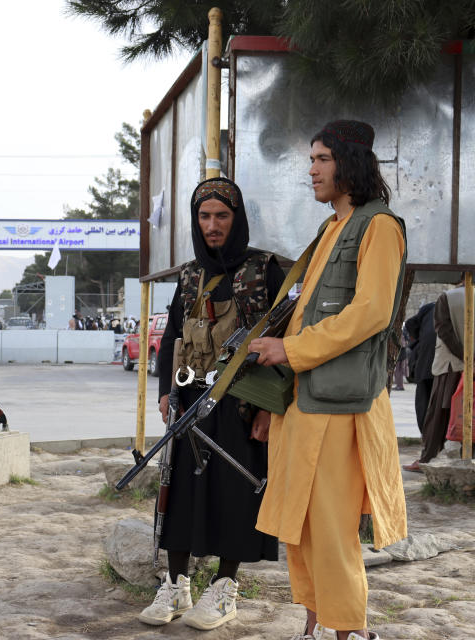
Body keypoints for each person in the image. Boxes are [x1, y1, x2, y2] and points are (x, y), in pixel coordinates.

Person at [249, 120, 408, 640]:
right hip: (304, 400)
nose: (311, 170)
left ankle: (351, 633)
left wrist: (290, 351)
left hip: (340, 406)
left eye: (321, 159)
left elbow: (370, 313)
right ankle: (315, 627)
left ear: (349, 162)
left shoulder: (379, 226)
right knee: (303, 526)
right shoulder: (331, 228)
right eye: (310, 160)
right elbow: (302, 311)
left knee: (334, 530)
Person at [137, 177, 282, 631]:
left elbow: (285, 342)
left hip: (243, 402)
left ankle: (224, 589)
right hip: (191, 399)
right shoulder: (191, 274)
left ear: (237, 219)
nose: (212, 225)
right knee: (179, 491)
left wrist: (269, 407)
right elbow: (172, 338)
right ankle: (177, 583)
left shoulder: (265, 271)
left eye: (221, 216)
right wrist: (166, 391)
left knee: (235, 493)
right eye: (204, 216)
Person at [405, 278, 475, 469]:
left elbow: (443, 330)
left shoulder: (446, 298)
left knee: (437, 416)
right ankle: (473, 461)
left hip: (450, 367)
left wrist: (465, 359)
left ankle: (426, 460)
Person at [404, 301, 437, 436]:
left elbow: (410, 323)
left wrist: (419, 340)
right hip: (443, 363)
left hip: (424, 362)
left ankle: (426, 435)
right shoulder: (455, 308)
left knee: (424, 399)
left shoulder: (429, 308)